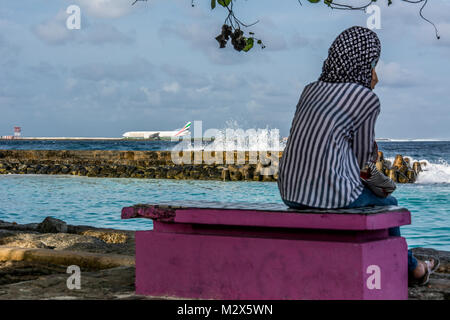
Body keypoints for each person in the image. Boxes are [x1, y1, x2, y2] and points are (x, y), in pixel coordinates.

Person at [277, 26, 438, 285]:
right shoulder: (365, 98)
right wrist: (385, 188)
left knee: (376, 199)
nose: (376, 75)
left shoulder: (309, 90)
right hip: (331, 195)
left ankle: (409, 263)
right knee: (389, 204)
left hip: (290, 193)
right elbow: (363, 163)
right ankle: (413, 270)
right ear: (364, 64)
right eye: (373, 65)